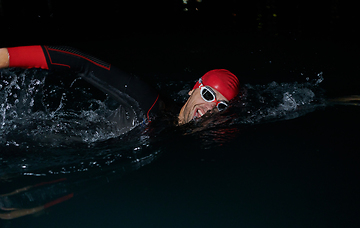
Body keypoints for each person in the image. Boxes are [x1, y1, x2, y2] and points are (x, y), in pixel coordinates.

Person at [0, 46, 240, 133]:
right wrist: (6, 56)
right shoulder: (149, 103)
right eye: (208, 94)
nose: (209, 108)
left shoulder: (206, 132)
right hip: (63, 138)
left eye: (220, 105)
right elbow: (81, 62)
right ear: (192, 89)